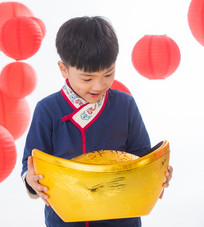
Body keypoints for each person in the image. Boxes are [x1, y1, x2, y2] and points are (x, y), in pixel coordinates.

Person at [21, 16, 173, 227]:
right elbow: (30, 164)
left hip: (123, 218)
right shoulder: (47, 109)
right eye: (87, 78)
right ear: (63, 69)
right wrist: (30, 181)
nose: (98, 86)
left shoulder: (125, 105)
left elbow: (142, 155)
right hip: (66, 221)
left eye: (108, 74)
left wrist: (158, 173)